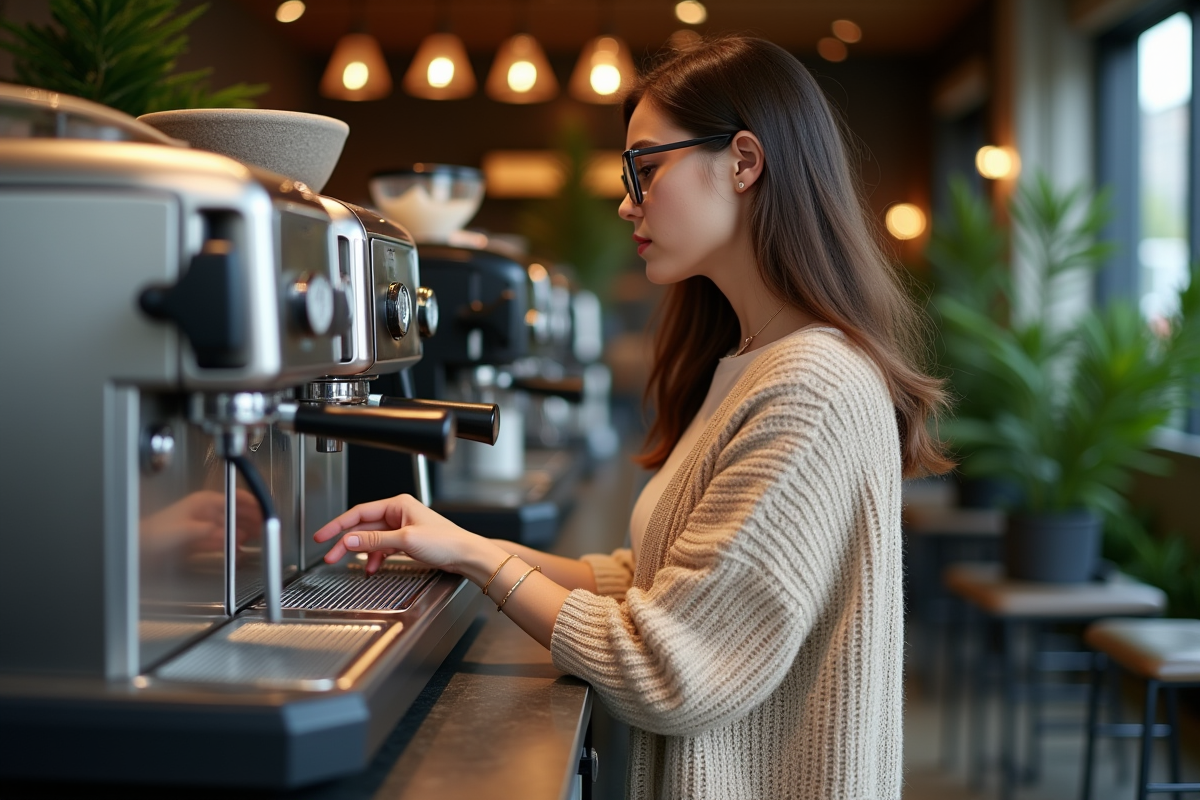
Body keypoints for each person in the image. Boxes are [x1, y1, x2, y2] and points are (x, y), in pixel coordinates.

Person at [314, 34, 951, 800]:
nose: (626, 201)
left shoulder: (810, 387)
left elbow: (667, 668)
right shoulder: (755, 362)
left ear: (744, 162)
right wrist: (459, 543)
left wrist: (487, 565)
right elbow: (652, 583)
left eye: (645, 169)